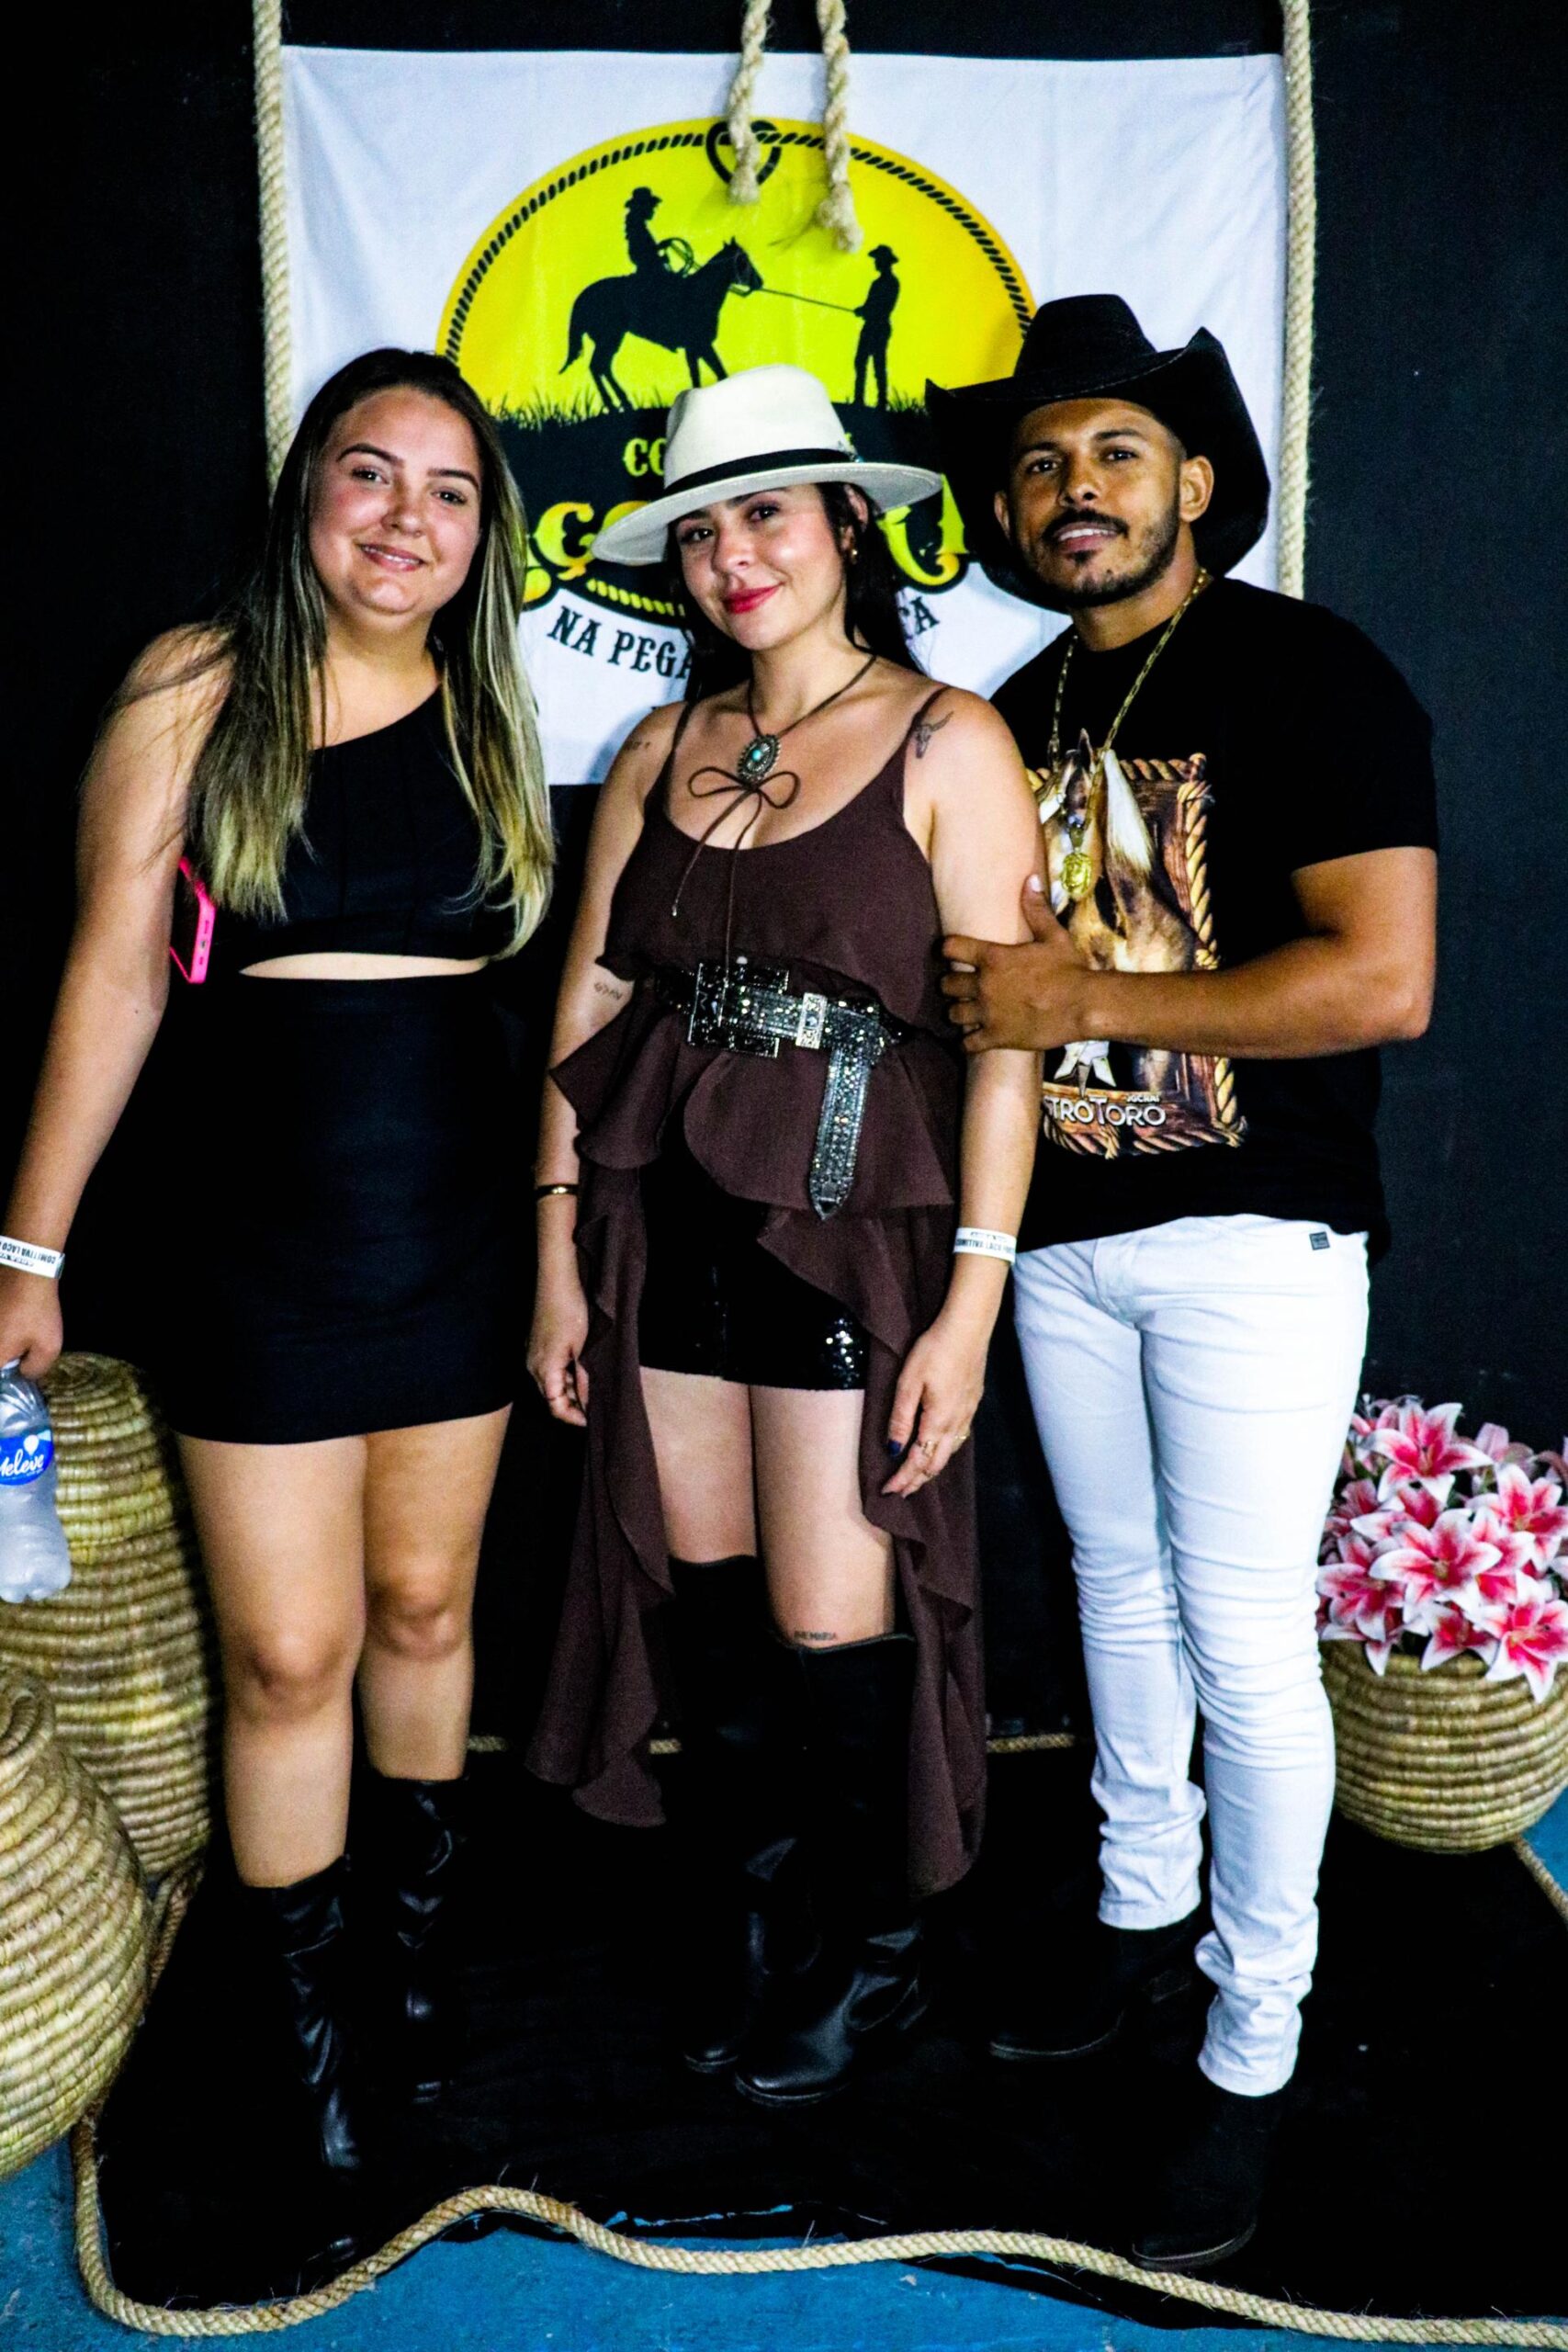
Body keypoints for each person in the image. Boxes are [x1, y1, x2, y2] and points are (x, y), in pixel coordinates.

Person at [0, 347, 552, 2245]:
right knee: (291, 1655)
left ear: (484, 537)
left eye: (450, 491)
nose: (407, 518)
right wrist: (29, 1249)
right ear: (307, 488)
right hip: (257, 1251)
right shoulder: (196, 681)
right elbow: (112, 969)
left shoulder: (492, 710)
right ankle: (304, 2039)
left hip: (456, 1239)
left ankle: (410, 1985)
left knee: (426, 1611)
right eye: (371, 473)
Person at [928, 296, 1438, 2269]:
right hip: (1060, 1238)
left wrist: (1086, 998)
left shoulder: (1314, 672)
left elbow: (1381, 979)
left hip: (1252, 1240)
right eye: (1041, 465)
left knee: (1238, 1633)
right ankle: (1141, 1915)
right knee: (1113, 1591)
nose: (1075, 490)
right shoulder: (1010, 710)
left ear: (1196, 482)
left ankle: (1253, 2033)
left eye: (1116, 454)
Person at [525, 363, 1040, 2107]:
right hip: (662, 1224)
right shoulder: (655, 747)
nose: (733, 555)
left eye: (766, 514)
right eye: (701, 531)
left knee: (833, 1615)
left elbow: (1006, 1045)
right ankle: (758, 1917)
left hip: (847, 1228)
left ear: (843, 527)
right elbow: (592, 1000)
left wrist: (969, 1305)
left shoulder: (946, 739)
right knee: (716, 1604)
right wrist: (555, 1257)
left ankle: (873, 1949)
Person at [853, 245, 900, 409]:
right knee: (862, 362)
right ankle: (860, 399)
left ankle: (881, 401)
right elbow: (870, 305)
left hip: (878, 327)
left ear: (884, 261)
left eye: (877, 260)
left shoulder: (891, 283)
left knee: (877, 364)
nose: (876, 263)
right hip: (873, 326)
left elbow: (884, 307)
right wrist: (863, 310)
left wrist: (865, 311)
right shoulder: (879, 283)